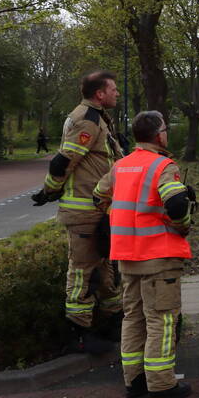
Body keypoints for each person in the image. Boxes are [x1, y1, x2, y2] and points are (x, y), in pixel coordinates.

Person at [93, 111, 194, 398]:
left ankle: (134, 380)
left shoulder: (120, 166)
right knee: (161, 320)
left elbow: (98, 197)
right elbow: (175, 203)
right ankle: (161, 385)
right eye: (165, 128)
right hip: (158, 257)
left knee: (133, 319)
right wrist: (182, 224)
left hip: (127, 257)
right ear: (158, 134)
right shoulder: (163, 165)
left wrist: (117, 218)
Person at [31, 71, 124, 353]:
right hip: (84, 209)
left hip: (98, 208)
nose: (117, 93)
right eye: (114, 89)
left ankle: (110, 322)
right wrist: (49, 190)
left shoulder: (97, 118)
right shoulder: (87, 119)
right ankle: (79, 332)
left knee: (105, 270)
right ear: (100, 94)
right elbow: (64, 160)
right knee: (83, 271)